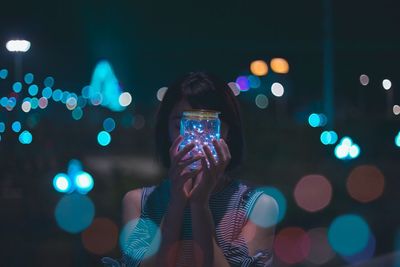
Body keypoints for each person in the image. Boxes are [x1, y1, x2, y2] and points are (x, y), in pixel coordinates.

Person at [106, 71, 278, 267]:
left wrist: (199, 205)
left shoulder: (257, 206)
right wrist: (176, 203)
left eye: (209, 127)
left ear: (228, 132)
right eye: (183, 126)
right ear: (166, 131)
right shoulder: (141, 203)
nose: (197, 141)